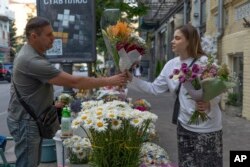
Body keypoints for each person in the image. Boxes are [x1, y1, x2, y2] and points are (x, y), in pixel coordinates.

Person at [7, 16, 127, 167]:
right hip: (25, 121)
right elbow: (74, 82)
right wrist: (110, 81)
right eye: (49, 34)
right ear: (34, 36)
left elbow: (32, 89)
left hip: (27, 118)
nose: (53, 37)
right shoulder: (31, 60)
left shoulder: (31, 53)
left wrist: (51, 104)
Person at [126, 24, 222, 167]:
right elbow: (154, 88)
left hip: (207, 127)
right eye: (173, 38)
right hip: (183, 125)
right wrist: (131, 79)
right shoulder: (171, 65)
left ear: (189, 41)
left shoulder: (205, 63)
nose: (172, 41)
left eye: (177, 38)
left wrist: (209, 102)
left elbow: (218, 90)